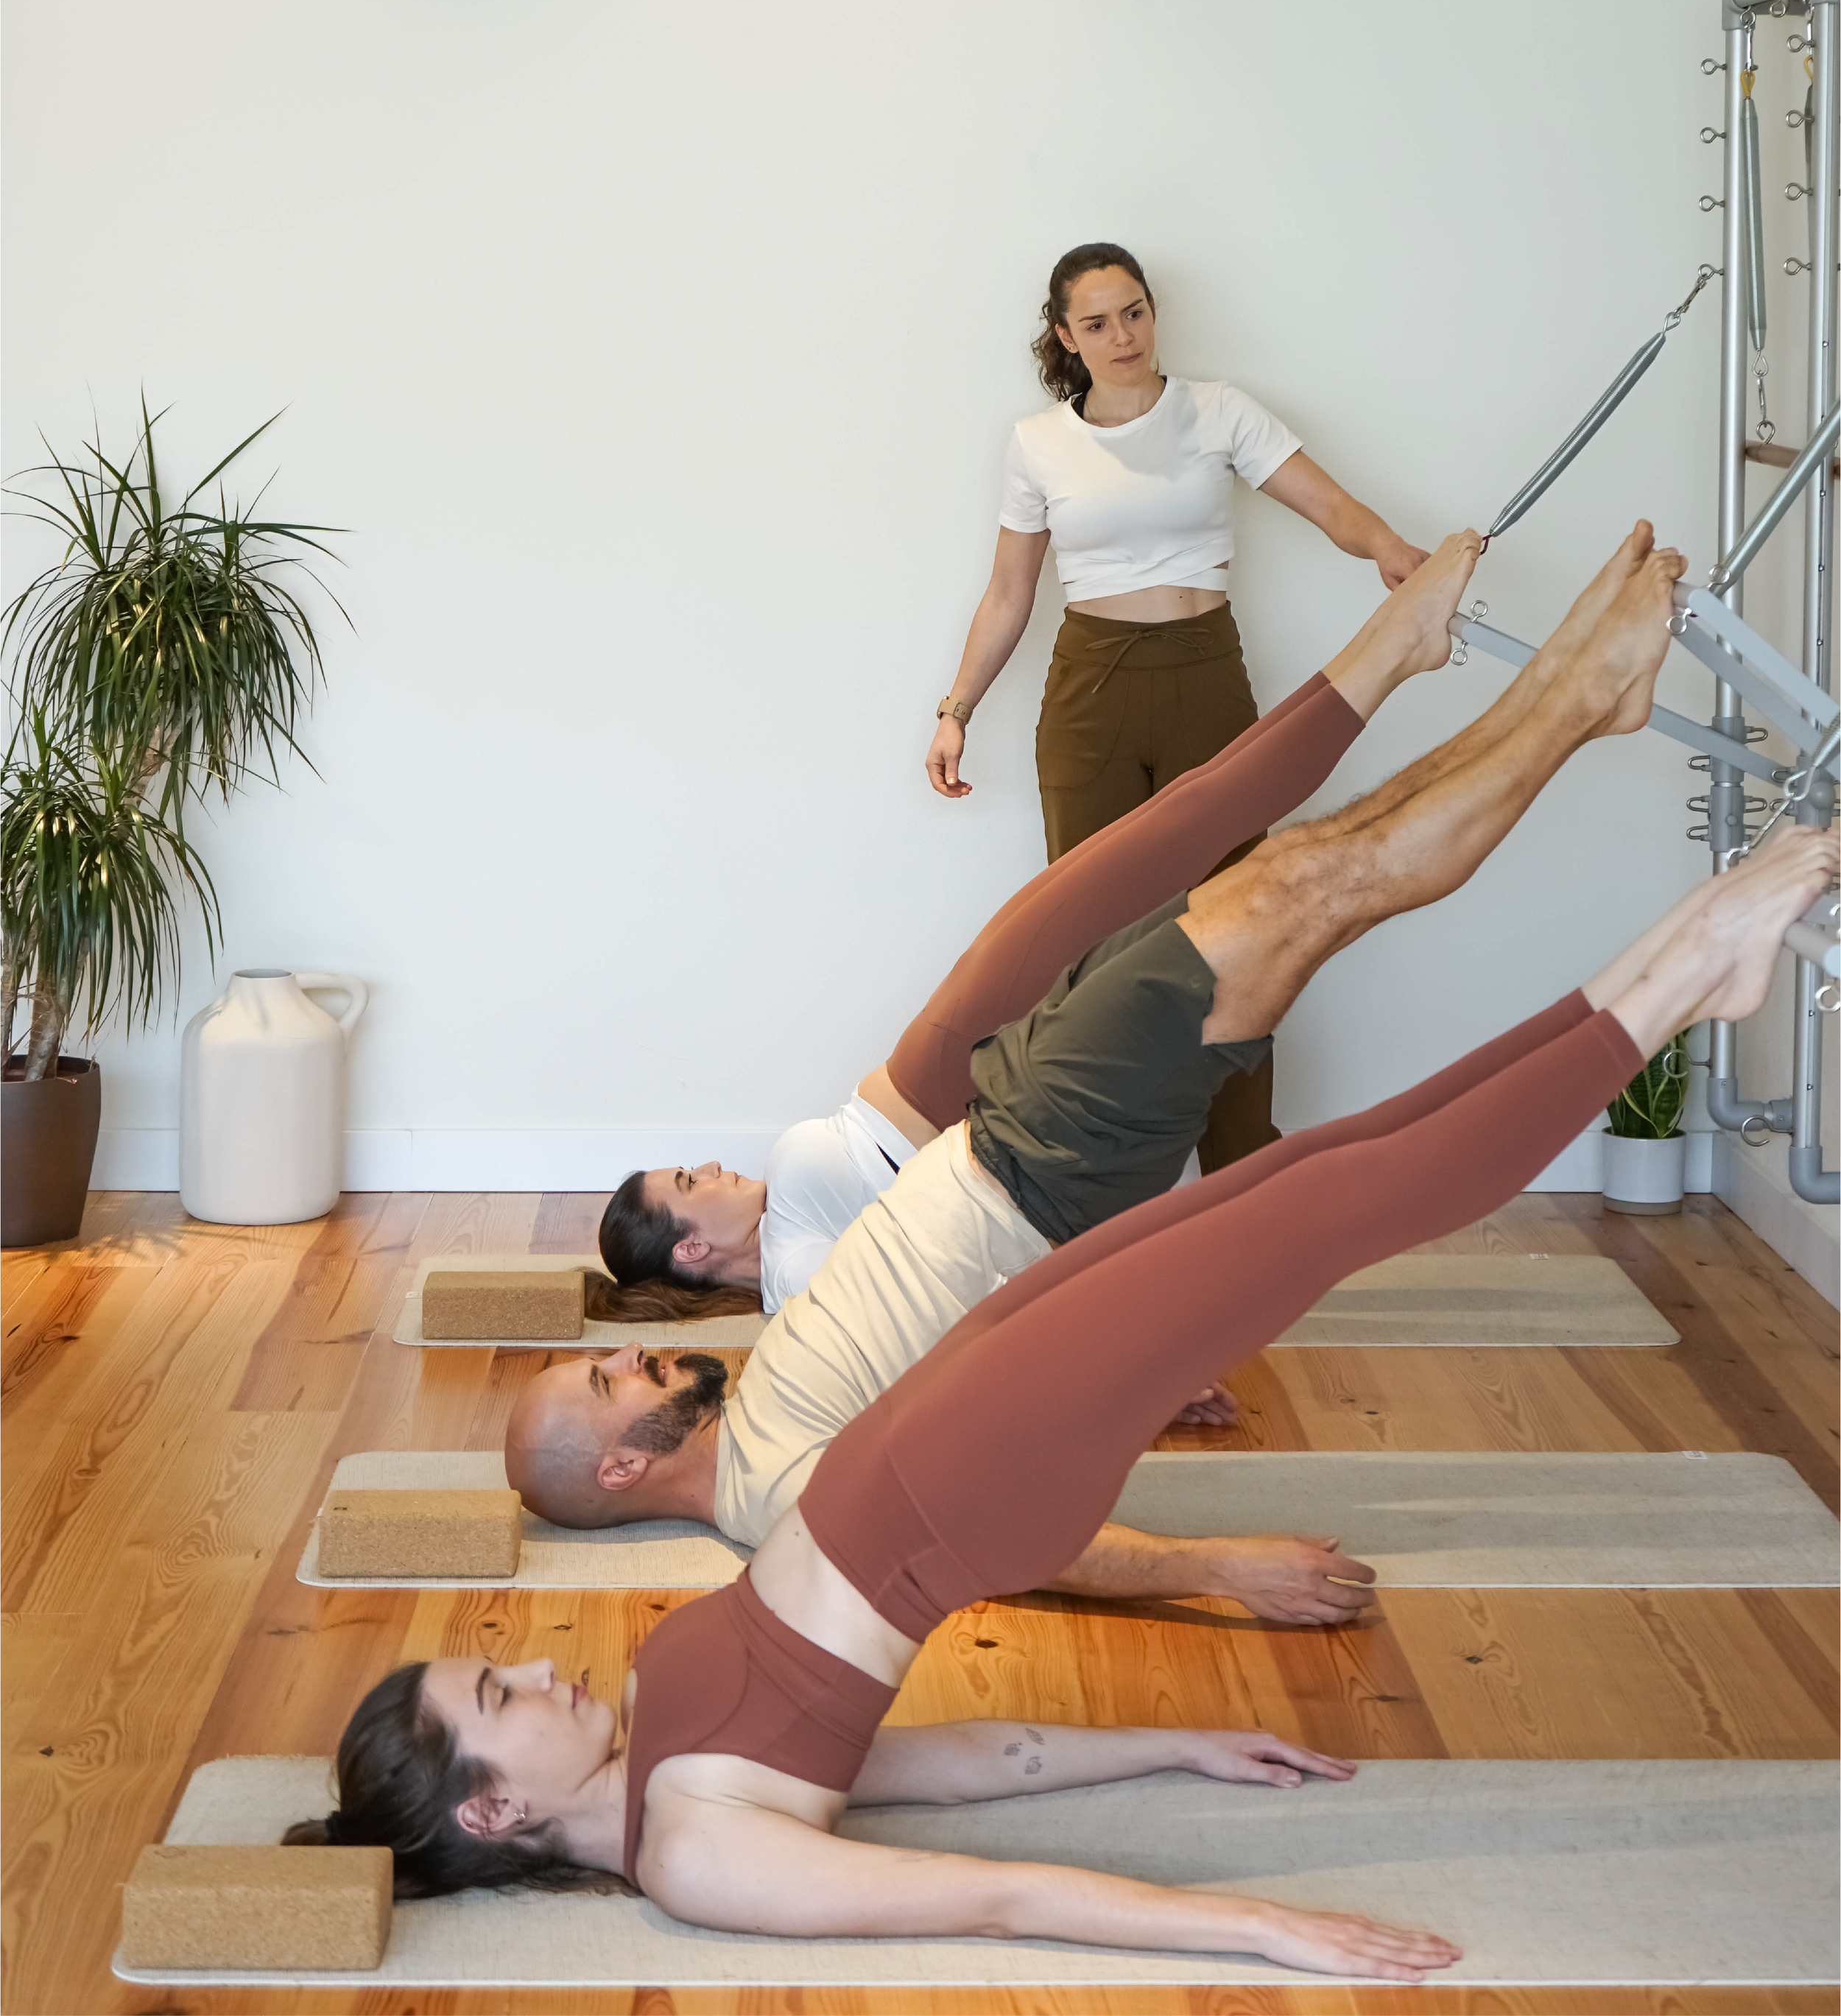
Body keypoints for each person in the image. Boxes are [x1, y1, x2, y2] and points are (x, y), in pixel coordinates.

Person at [289, 643, 1837, 1974]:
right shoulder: (698, 1858)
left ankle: (1676, 966)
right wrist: (1256, 1928)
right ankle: (1685, 968)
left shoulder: (647, 1752)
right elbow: (992, 1892)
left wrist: (1164, 1744)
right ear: (490, 1808)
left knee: (1300, 1182)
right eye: (498, 1694)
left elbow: (952, 1767)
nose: (540, 1669)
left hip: (937, 1417)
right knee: (1328, 1212)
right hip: (970, 1480)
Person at [510, 526, 1689, 1634]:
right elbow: (990, 1531)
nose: (621, 1355)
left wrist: (1128, 1368)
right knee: (1315, 886)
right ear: (621, 1465)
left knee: (1299, 872)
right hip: (1045, 1163)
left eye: (601, 1354)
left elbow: (973, 1370)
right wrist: (1211, 1566)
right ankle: (1585, 695)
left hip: (1013, 1136)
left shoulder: (755, 1421)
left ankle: (1581, 694)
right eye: (603, 1381)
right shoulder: (782, 1506)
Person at [599, 526, 1484, 1321]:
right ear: (691, 1249)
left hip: (965, 1046)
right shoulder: (794, 1279)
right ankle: (1400, 643)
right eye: (688, 1183)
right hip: (975, 1068)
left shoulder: (788, 1226)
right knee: (1196, 829)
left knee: (1188, 821)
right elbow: (943, 1315)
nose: (710, 1168)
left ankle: (1402, 647)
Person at [923, 240, 1429, 1171]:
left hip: (1205, 677)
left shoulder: (1217, 410)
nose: (1122, 336)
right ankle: (1090, 1172)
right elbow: (1007, 595)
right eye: (1097, 323)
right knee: (1088, 944)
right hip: (1089, 692)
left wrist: (1392, 553)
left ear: (1154, 312)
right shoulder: (1037, 442)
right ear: (1066, 338)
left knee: (1242, 926)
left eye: (1134, 312)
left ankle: (1239, 1176)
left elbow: (1329, 506)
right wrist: (956, 708)